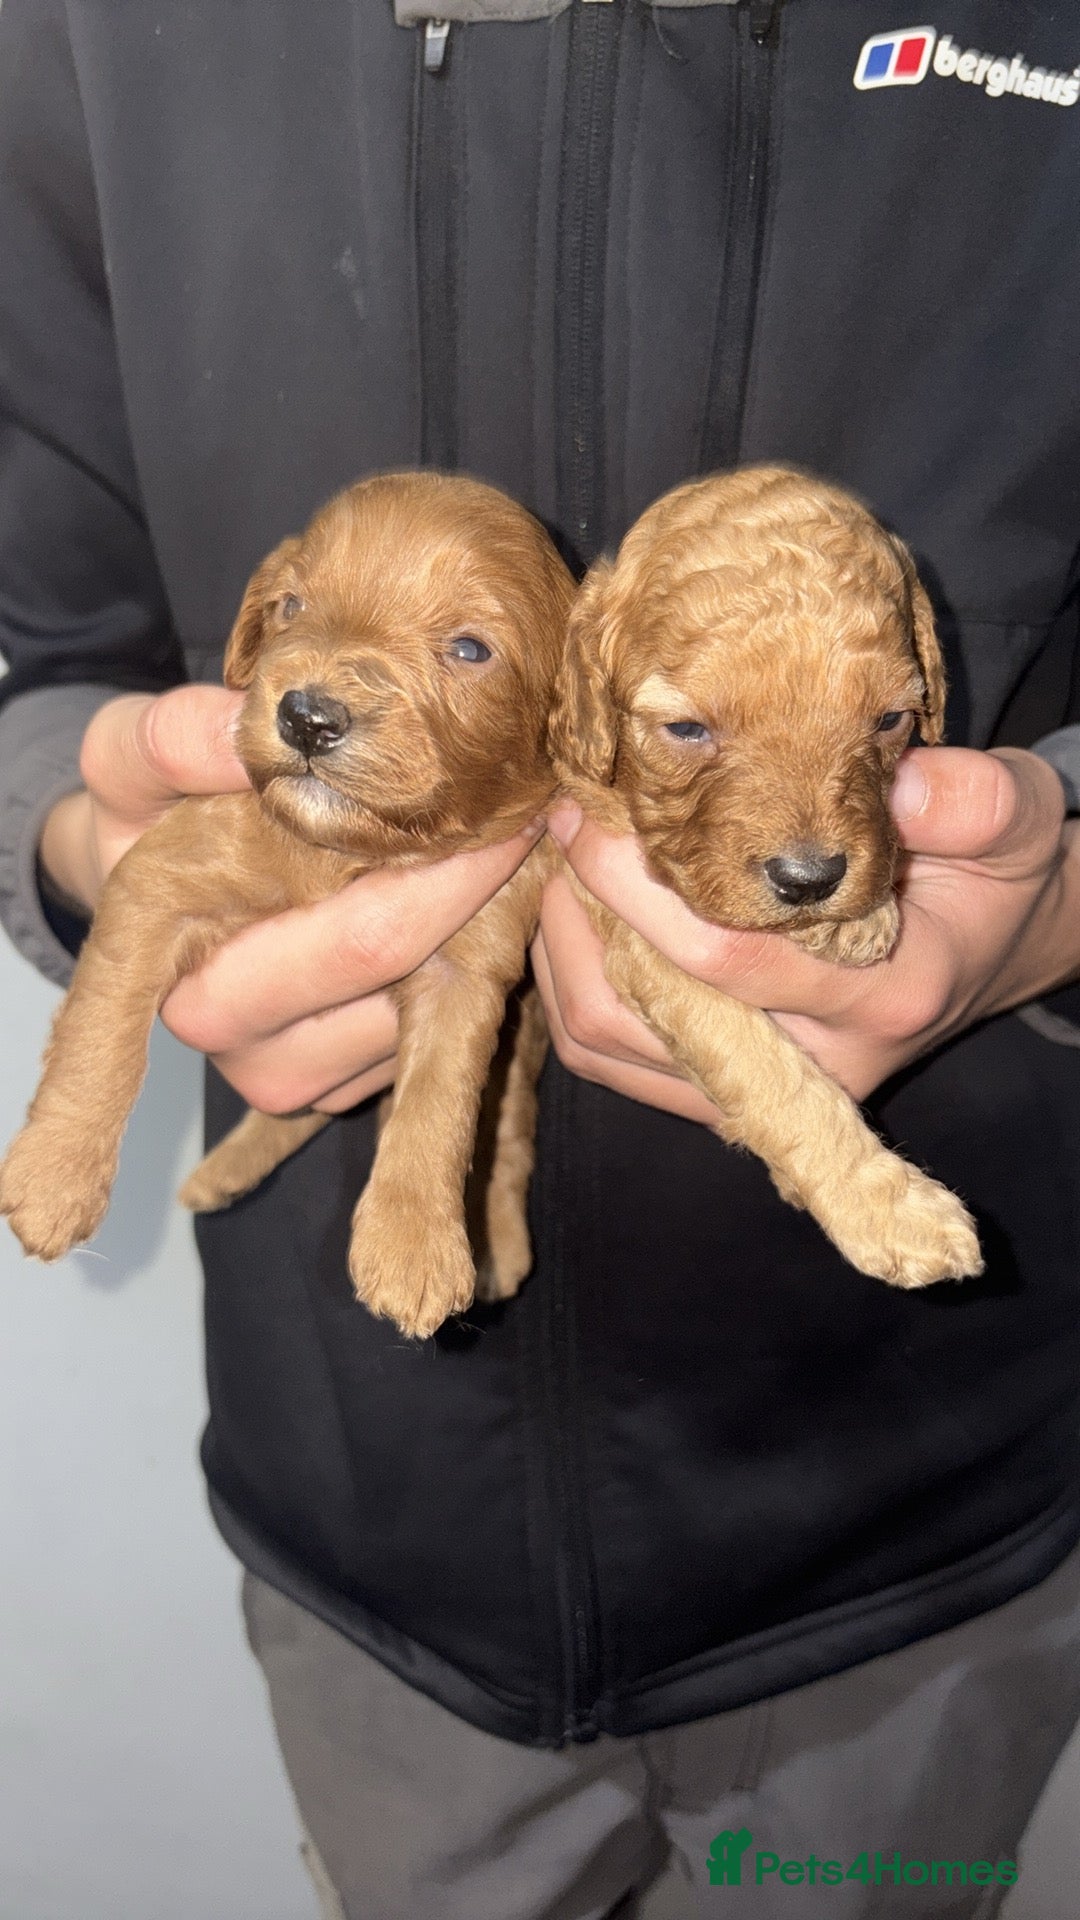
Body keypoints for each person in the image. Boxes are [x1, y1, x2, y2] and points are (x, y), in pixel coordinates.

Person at [3, 3, 1080, 1915]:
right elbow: (37, 635)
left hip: (921, 1535)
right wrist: (87, 841)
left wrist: (1068, 881)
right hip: (370, 1550)